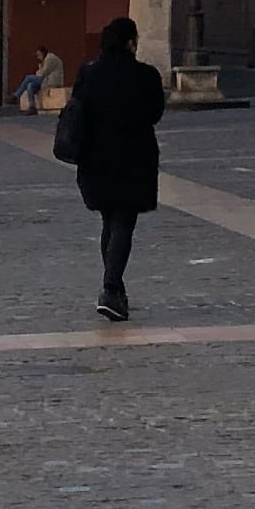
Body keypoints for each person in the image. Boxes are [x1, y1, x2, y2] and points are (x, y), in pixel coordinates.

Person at [64, 16, 166, 321]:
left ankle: (116, 290)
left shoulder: (88, 74)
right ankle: (110, 289)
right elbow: (155, 113)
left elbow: (78, 110)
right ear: (130, 42)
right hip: (133, 159)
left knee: (110, 222)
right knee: (123, 223)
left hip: (94, 160)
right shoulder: (145, 75)